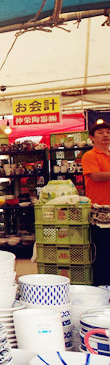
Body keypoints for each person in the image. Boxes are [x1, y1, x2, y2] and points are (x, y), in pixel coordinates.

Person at [83, 121, 110, 286]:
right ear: (92, 138)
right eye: (100, 132)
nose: (106, 135)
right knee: (102, 250)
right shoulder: (90, 156)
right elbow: (95, 176)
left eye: (107, 132)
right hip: (99, 211)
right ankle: (101, 286)